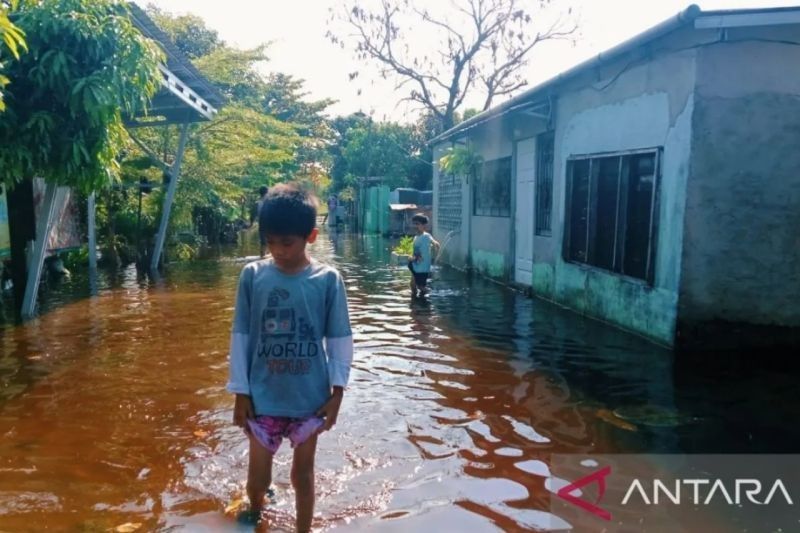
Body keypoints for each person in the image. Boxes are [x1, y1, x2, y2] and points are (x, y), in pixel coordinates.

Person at [226, 183, 353, 530]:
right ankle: (255, 513)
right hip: (263, 396)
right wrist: (241, 391)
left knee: (304, 474)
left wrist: (337, 393)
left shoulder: (328, 280)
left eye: (287, 243)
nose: (278, 251)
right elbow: (241, 335)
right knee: (258, 478)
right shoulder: (253, 276)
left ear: (310, 236)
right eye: (270, 241)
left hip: (309, 400)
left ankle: (303, 529)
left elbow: (340, 338)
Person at [407, 213, 440, 298]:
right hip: (416, 266)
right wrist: (435, 243)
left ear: (424, 225)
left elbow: (420, 257)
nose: (415, 226)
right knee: (412, 284)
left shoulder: (425, 237)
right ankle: (416, 302)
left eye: (417, 224)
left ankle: (432, 296)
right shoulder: (418, 236)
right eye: (414, 224)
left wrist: (412, 258)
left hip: (421, 267)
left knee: (420, 287)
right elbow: (432, 240)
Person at [254, 186, 269, 257]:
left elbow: (253, 214)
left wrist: (251, 224)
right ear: (267, 192)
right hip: (270, 223)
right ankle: (267, 256)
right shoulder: (270, 202)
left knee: (263, 242)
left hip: (261, 223)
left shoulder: (257, 203)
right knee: (271, 240)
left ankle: (262, 256)